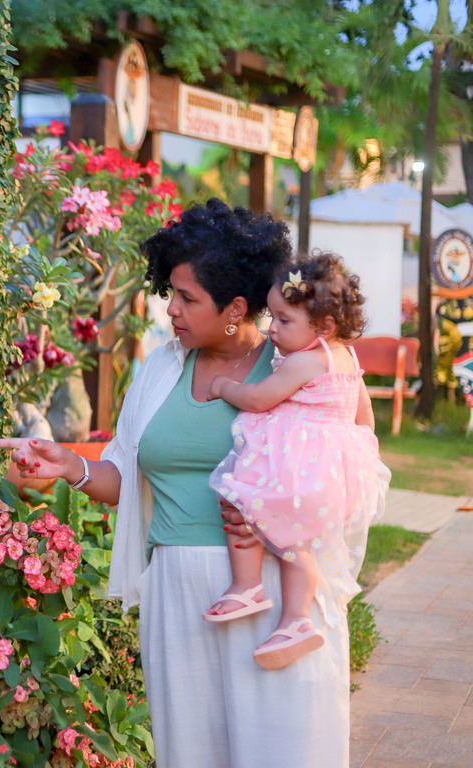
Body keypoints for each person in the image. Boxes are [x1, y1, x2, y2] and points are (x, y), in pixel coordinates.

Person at [0, 199, 386, 768]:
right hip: (178, 594)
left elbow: (360, 458)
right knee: (194, 753)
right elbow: (127, 475)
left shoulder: (305, 367)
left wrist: (292, 512)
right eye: (170, 292)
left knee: (285, 749)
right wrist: (69, 467)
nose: (170, 309)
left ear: (236, 307)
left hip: (278, 595)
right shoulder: (161, 369)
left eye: (187, 297)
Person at [204, 252, 381, 672]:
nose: (271, 328)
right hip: (333, 476)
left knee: (238, 499)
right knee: (296, 542)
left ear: (324, 326)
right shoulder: (348, 360)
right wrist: (358, 459)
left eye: (284, 320)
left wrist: (225, 386)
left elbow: (259, 397)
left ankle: (247, 586)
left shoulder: (305, 360)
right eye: (273, 317)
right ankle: (296, 620)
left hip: (297, 466)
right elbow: (365, 417)